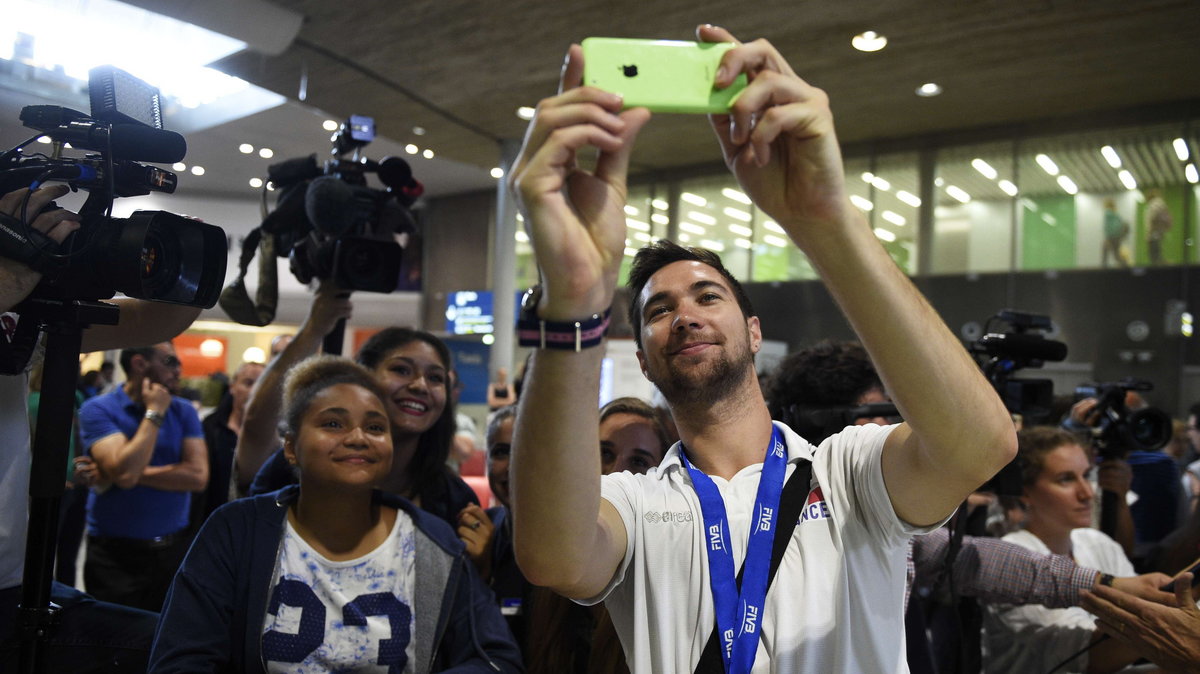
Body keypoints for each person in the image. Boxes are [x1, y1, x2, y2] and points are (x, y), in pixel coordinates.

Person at [507, 25, 1016, 671]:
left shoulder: (848, 474)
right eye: (658, 311)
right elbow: (552, 554)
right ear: (642, 359)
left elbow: (981, 447)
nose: (684, 315)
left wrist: (822, 219)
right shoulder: (635, 501)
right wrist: (574, 294)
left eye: (707, 297)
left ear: (753, 333)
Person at [149, 356, 521, 672]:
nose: (358, 437)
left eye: (376, 427)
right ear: (291, 448)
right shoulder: (237, 530)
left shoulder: (434, 543)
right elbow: (181, 659)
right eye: (332, 423)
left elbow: (495, 659)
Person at [0, 184, 202, 671]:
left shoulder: (20, 315)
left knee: (183, 650)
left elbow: (158, 320)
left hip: (15, 582)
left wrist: (174, 253)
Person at [237, 284, 479, 527]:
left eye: (435, 378)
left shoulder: (453, 499)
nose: (420, 386)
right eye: (401, 370)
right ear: (364, 377)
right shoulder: (302, 464)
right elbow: (255, 427)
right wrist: (315, 328)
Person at [984, 427, 1148, 673]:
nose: (1087, 493)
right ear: (1025, 492)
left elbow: (1139, 611)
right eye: (1066, 479)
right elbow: (1083, 655)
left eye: (1087, 475)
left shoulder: (1097, 543)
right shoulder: (1012, 555)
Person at [78, 341, 209, 612]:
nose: (179, 369)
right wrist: (155, 412)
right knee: (111, 641)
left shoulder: (184, 410)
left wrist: (115, 472)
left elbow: (197, 476)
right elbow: (125, 473)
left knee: (161, 641)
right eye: (170, 362)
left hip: (172, 552)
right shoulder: (97, 409)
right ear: (139, 364)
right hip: (114, 557)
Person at [193, 360, 264, 529]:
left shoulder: (277, 435)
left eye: (261, 384)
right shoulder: (209, 427)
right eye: (248, 383)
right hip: (210, 523)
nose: (254, 390)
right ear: (233, 387)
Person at [1144, 188, 1172, 265]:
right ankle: (1160, 265)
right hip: (1160, 231)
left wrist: (1149, 231)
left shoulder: (1153, 204)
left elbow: (1152, 218)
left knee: (1153, 253)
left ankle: (1157, 268)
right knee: (1158, 251)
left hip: (1154, 231)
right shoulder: (1162, 204)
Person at [1100, 198, 1128, 268]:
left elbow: (1108, 226)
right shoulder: (1116, 214)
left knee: (1105, 251)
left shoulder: (1107, 213)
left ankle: (1103, 268)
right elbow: (1120, 225)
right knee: (1116, 254)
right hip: (1117, 236)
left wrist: (1107, 238)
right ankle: (1124, 265)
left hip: (1111, 236)